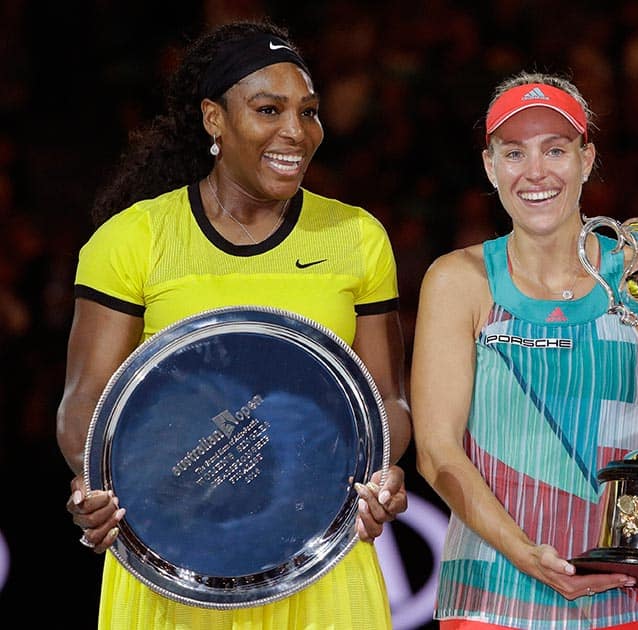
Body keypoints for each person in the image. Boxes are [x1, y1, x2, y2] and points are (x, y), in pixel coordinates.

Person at [56, 18, 411, 630]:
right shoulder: (133, 239)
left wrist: (381, 475)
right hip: (176, 548)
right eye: (269, 110)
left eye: (308, 111)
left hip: (318, 552)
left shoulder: (357, 237)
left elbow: (386, 400)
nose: (294, 132)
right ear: (214, 118)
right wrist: (98, 484)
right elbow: (86, 399)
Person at [410, 71, 638, 630]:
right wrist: (527, 556)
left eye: (556, 149)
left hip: (625, 593)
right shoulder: (459, 281)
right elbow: (436, 451)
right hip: (491, 595)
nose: (536, 172)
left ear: (586, 159)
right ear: (489, 166)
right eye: (514, 152)